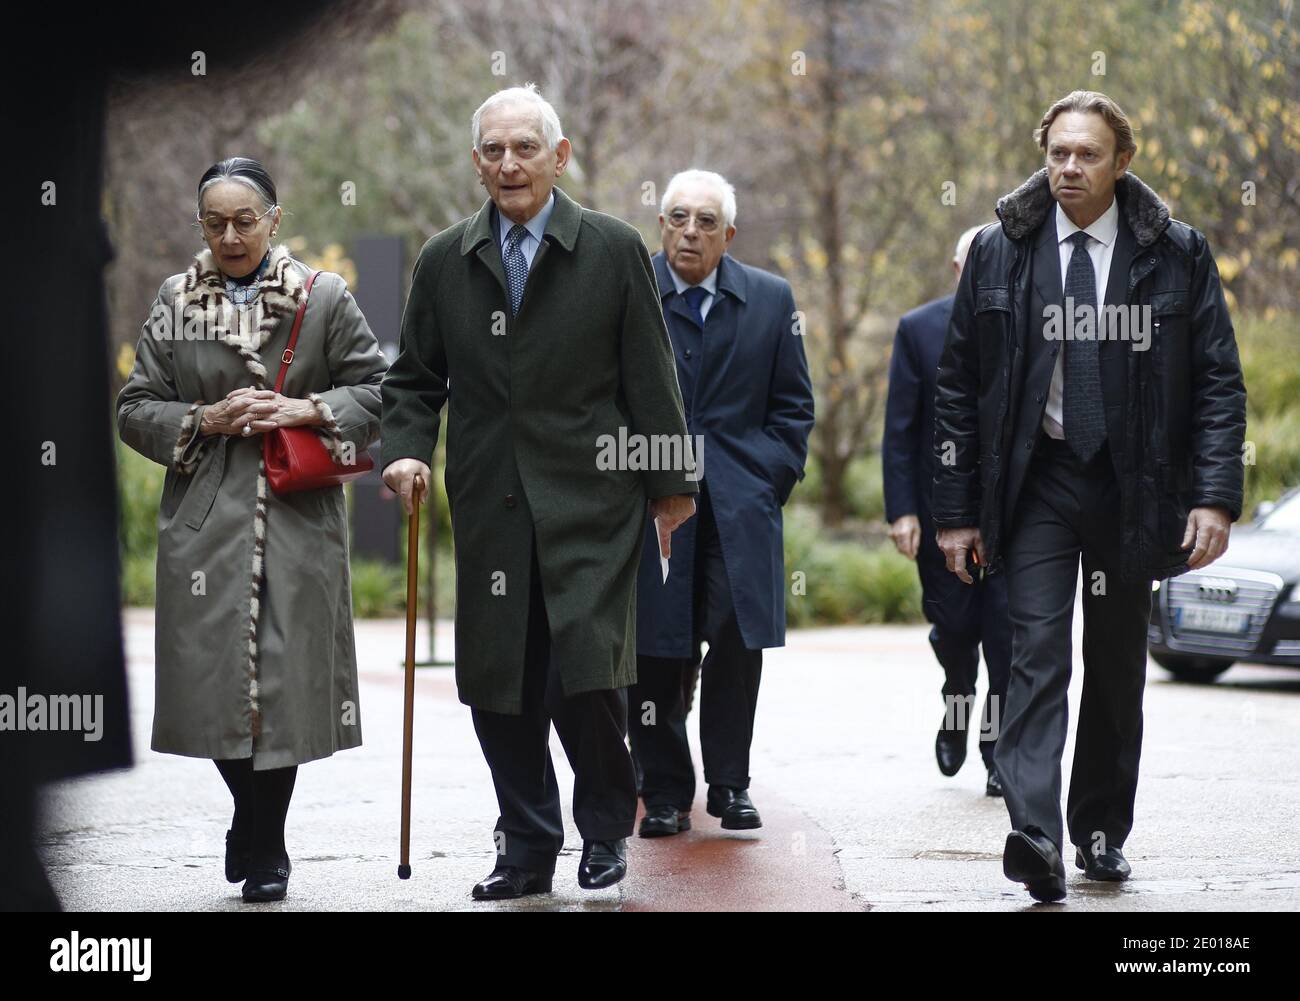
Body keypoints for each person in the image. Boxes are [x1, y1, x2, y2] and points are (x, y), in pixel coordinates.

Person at [380, 85, 697, 900]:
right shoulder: (445, 259)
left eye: (526, 147)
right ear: (477, 163)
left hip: (594, 501)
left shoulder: (612, 247)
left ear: (560, 157)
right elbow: (414, 380)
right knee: (500, 681)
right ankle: (525, 844)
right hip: (492, 502)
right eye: (494, 149)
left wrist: (672, 486)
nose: (509, 163)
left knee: (584, 674)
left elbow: (650, 375)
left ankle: (602, 831)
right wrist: (406, 452)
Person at [933, 91, 1246, 902]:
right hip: (1036, 482)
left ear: (1122, 162)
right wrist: (955, 510)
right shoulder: (1002, 250)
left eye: (1088, 154)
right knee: (1034, 651)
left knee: (1114, 666)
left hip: (1132, 487)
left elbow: (1217, 381)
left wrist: (1213, 497)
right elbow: (958, 387)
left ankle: (1100, 831)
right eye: (1058, 153)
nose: (1070, 167)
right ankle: (1035, 832)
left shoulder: (1175, 253)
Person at [117, 156, 387, 903]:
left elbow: (377, 390)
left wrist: (305, 409)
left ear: (275, 219)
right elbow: (135, 407)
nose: (230, 236)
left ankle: (267, 845)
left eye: (245, 220)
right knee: (210, 680)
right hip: (204, 515)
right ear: (200, 224)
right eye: (214, 222)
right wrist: (204, 417)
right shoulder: (175, 300)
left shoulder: (324, 297)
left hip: (296, 514)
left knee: (284, 684)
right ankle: (249, 814)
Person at [629, 170, 813, 837]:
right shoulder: (632, 291)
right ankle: (666, 790)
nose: (690, 231)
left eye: (706, 222)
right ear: (661, 225)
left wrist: (765, 479)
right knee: (655, 646)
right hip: (651, 505)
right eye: (678, 217)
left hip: (740, 505)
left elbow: (794, 407)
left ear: (728, 234)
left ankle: (730, 784)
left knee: (736, 645)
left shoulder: (769, 298)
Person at [883, 225, 1010, 796]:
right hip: (942, 515)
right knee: (956, 630)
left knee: (1007, 640)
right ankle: (957, 702)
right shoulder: (918, 329)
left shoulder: (1025, 323)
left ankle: (997, 751)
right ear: (959, 269)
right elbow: (900, 429)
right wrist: (902, 511)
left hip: (1013, 516)